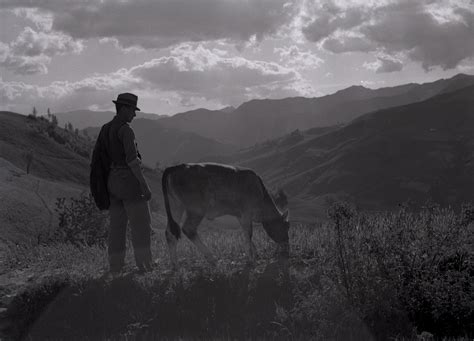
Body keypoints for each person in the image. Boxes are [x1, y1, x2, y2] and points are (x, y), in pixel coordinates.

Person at [97, 92, 154, 273]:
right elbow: (132, 162)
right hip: (129, 183)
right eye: (132, 110)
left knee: (116, 227)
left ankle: (115, 266)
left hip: (112, 183)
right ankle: (144, 265)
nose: (134, 115)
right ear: (124, 109)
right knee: (141, 226)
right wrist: (144, 186)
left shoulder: (106, 128)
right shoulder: (126, 130)